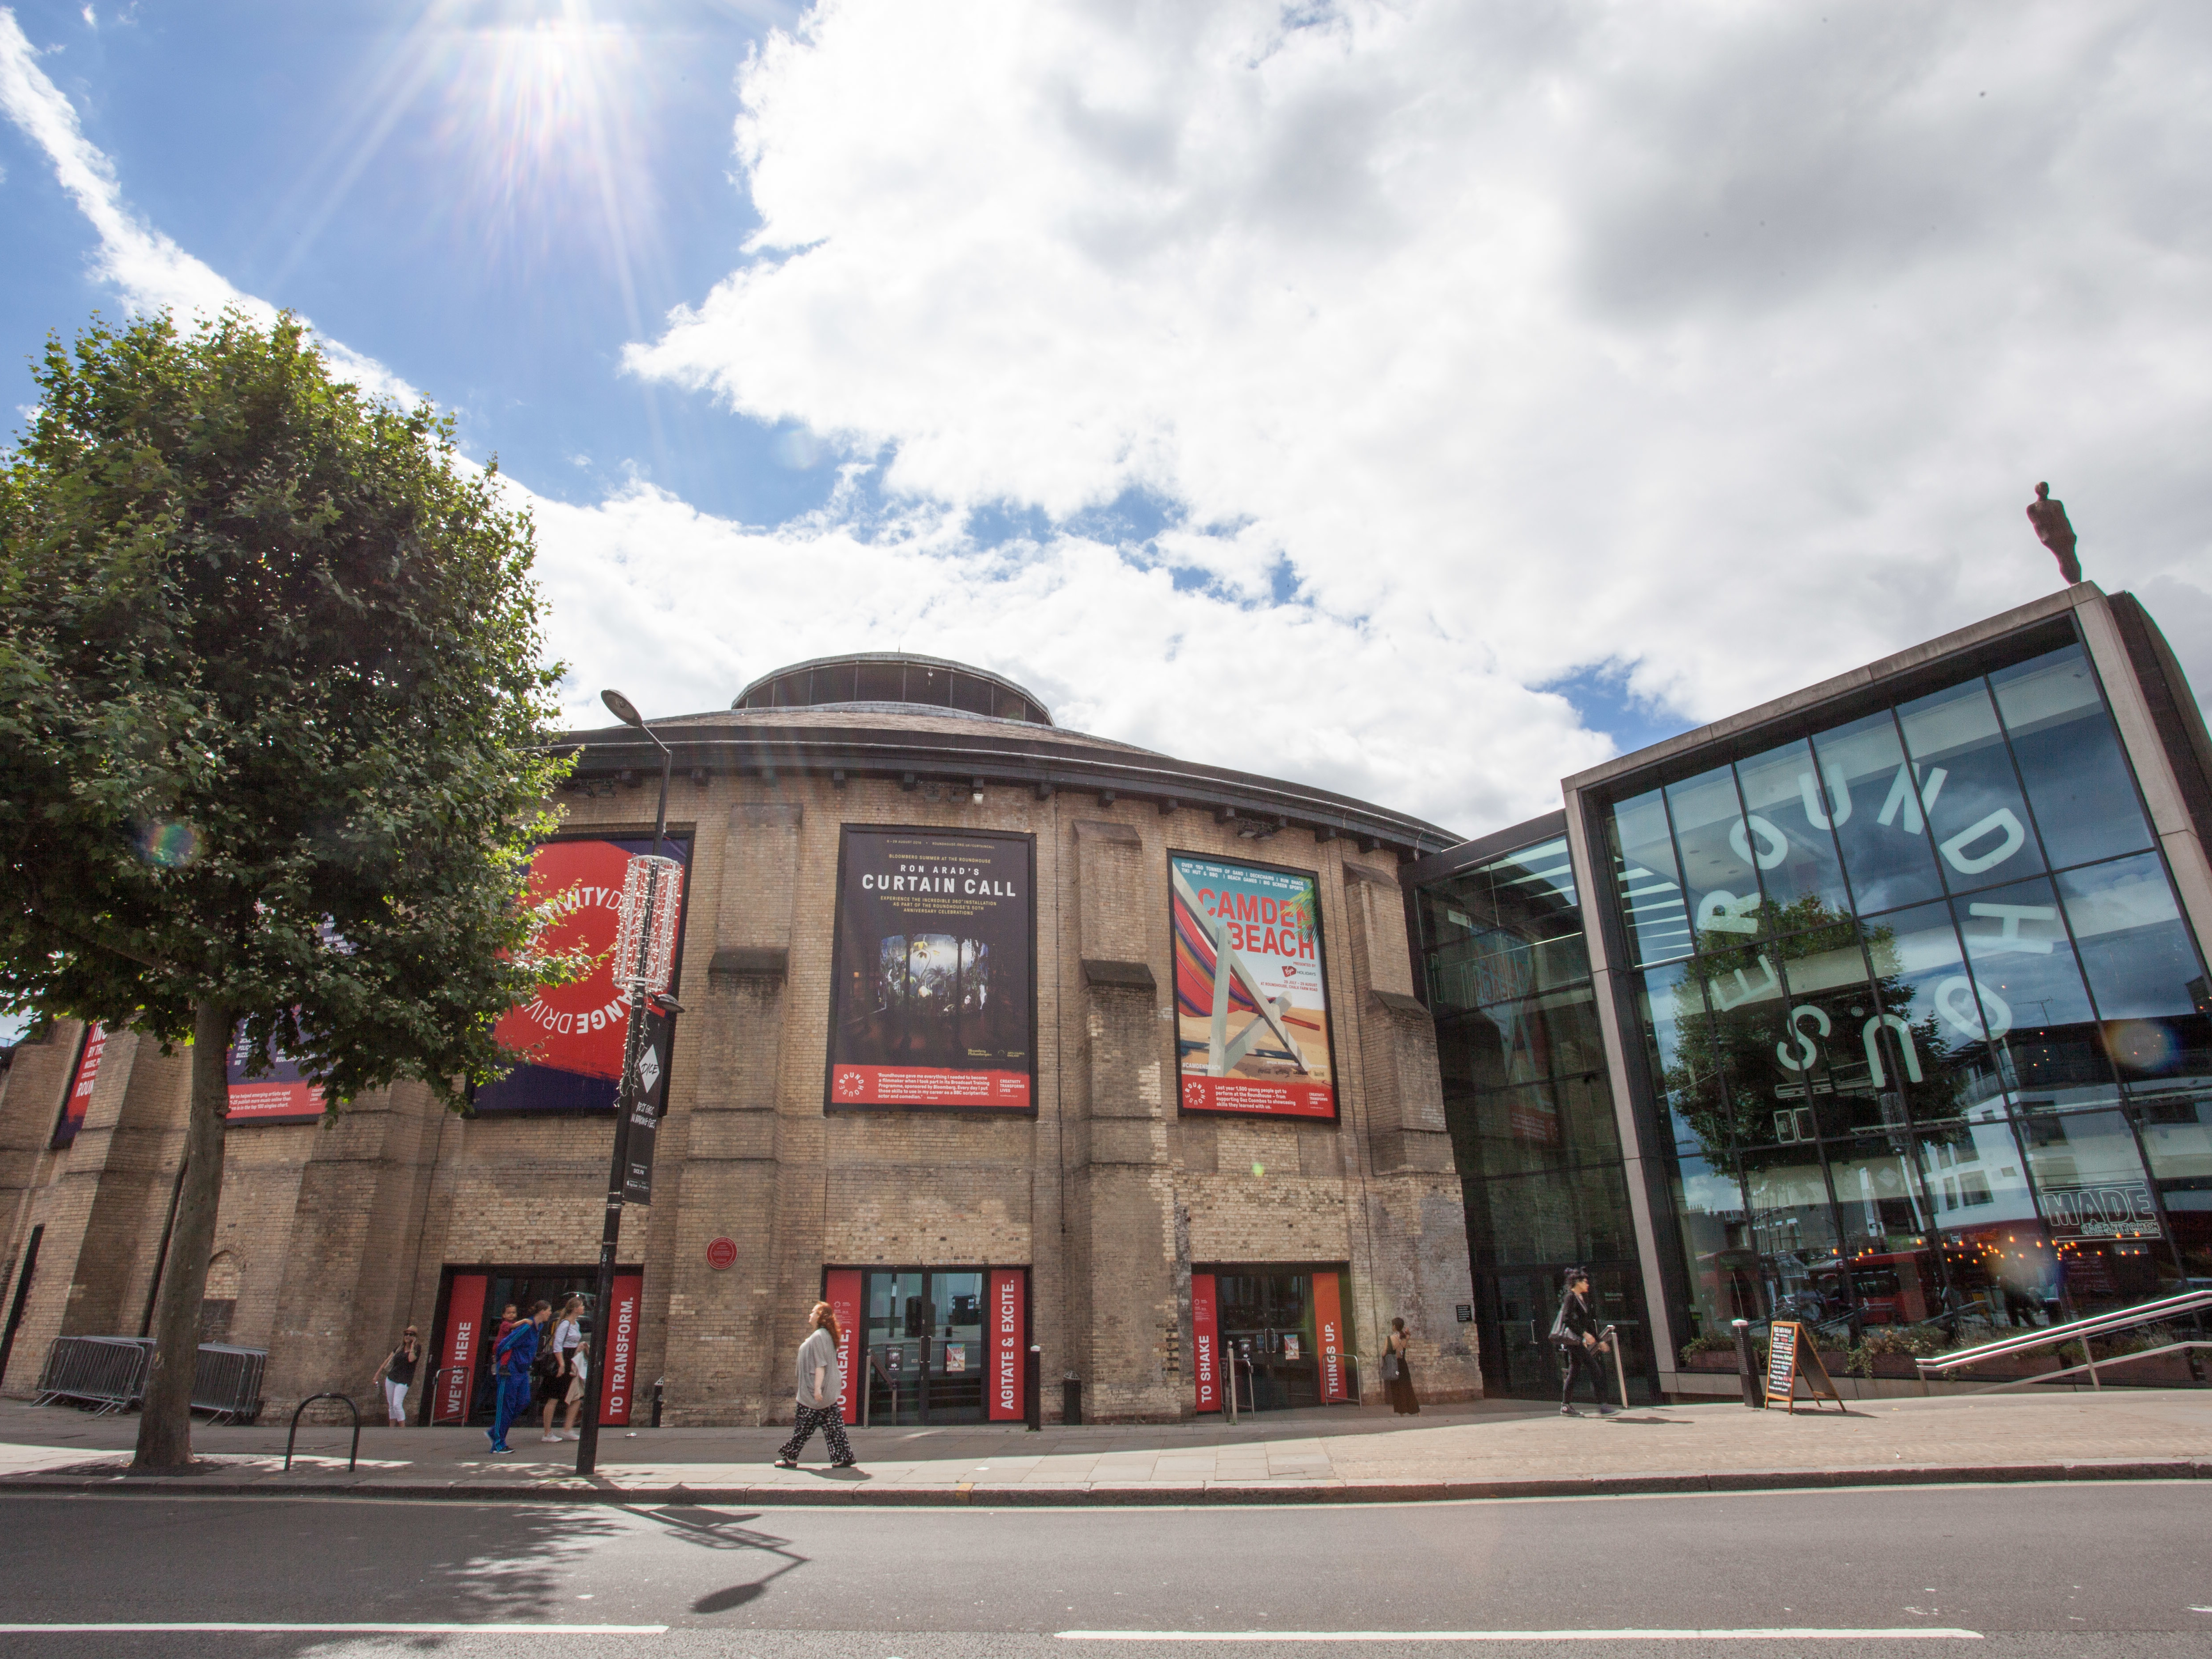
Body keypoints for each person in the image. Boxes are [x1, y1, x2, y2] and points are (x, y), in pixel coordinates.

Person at [773, 1302, 856, 1470]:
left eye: (813, 1312)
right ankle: (842, 1458)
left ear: (820, 1316)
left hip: (812, 1394)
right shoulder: (825, 1335)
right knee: (834, 1428)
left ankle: (790, 1458)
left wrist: (817, 1390)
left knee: (803, 1428)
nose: (809, 1315)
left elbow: (821, 1364)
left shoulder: (819, 1336)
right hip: (823, 1394)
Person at [1551, 1267, 1618, 1417]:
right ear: (1577, 1283)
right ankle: (1602, 1405)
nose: (1588, 1284)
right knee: (1595, 1369)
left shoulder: (1582, 1298)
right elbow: (1567, 1319)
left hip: (1576, 1341)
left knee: (1574, 1372)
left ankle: (1566, 1406)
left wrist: (1599, 1340)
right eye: (1585, 1282)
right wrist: (1584, 1334)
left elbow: (1587, 1322)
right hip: (1573, 1341)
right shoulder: (1571, 1297)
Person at [488, 1300, 549, 1455]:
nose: (550, 1313)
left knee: (524, 1401)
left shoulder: (538, 1327)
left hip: (521, 1370)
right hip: (510, 1370)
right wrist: (501, 1360)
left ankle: (496, 1431)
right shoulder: (526, 1327)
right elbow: (505, 1343)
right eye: (549, 1311)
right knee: (506, 1405)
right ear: (542, 1312)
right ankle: (498, 1443)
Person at [541, 1295, 587, 1444]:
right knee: (554, 1397)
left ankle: (567, 1429)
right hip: (563, 1360)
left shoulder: (576, 1325)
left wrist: (580, 1347)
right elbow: (557, 1345)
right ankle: (547, 1433)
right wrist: (561, 1364)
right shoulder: (565, 1324)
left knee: (577, 1396)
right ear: (574, 1309)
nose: (583, 1308)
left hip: (572, 1359)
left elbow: (572, 1342)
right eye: (581, 1306)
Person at [372, 1327, 421, 1427]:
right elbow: (388, 1360)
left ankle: (402, 1427)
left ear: (415, 1337)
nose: (408, 1336)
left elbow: (411, 1359)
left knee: (397, 1404)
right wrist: (377, 1374)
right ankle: (392, 1427)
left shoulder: (417, 1348)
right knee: (391, 1405)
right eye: (406, 1334)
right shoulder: (399, 1348)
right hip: (392, 1378)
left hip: (404, 1380)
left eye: (411, 1335)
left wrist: (412, 1346)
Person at [1383, 1316, 1420, 1415]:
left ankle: (1401, 1412)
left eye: (1392, 1325)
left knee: (1397, 1389)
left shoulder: (1389, 1339)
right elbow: (1405, 1344)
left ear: (1395, 1326)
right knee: (1408, 1387)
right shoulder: (1405, 1338)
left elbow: (1384, 1353)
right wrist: (1408, 1335)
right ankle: (1416, 1411)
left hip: (1394, 1366)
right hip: (1403, 1365)